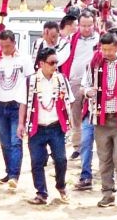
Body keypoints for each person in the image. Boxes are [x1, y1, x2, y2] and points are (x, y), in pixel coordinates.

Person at [82, 32, 117, 208]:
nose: (106, 53)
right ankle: (107, 193)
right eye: (103, 49)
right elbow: (85, 84)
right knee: (104, 158)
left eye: (109, 49)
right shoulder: (94, 64)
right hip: (101, 119)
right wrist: (87, 91)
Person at [18, 47, 75, 205]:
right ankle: (41, 193)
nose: (55, 66)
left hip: (56, 127)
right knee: (36, 161)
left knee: (61, 159)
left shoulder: (61, 80)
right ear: (41, 64)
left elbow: (69, 101)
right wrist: (21, 124)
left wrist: (70, 123)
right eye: (51, 63)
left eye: (56, 62)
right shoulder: (30, 81)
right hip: (36, 127)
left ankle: (61, 186)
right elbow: (23, 104)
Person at [0, 29, 33, 189]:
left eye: (8, 46)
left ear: (14, 43)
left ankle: (14, 175)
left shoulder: (24, 59)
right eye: (2, 46)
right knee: (5, 142)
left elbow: (30, 81)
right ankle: (9, 171)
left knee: (15, 141)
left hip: (16, 104)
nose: (5, 49)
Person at [60, 10, 100, 189]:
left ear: (94, 24)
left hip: (94, 83)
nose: (85, 28)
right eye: (82, 25)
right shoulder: (72, 39)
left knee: (94, 118)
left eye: (88, 25)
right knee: (76, 115)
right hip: (75, 82)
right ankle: (77, 146)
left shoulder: (100, 39)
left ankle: (95, 150)